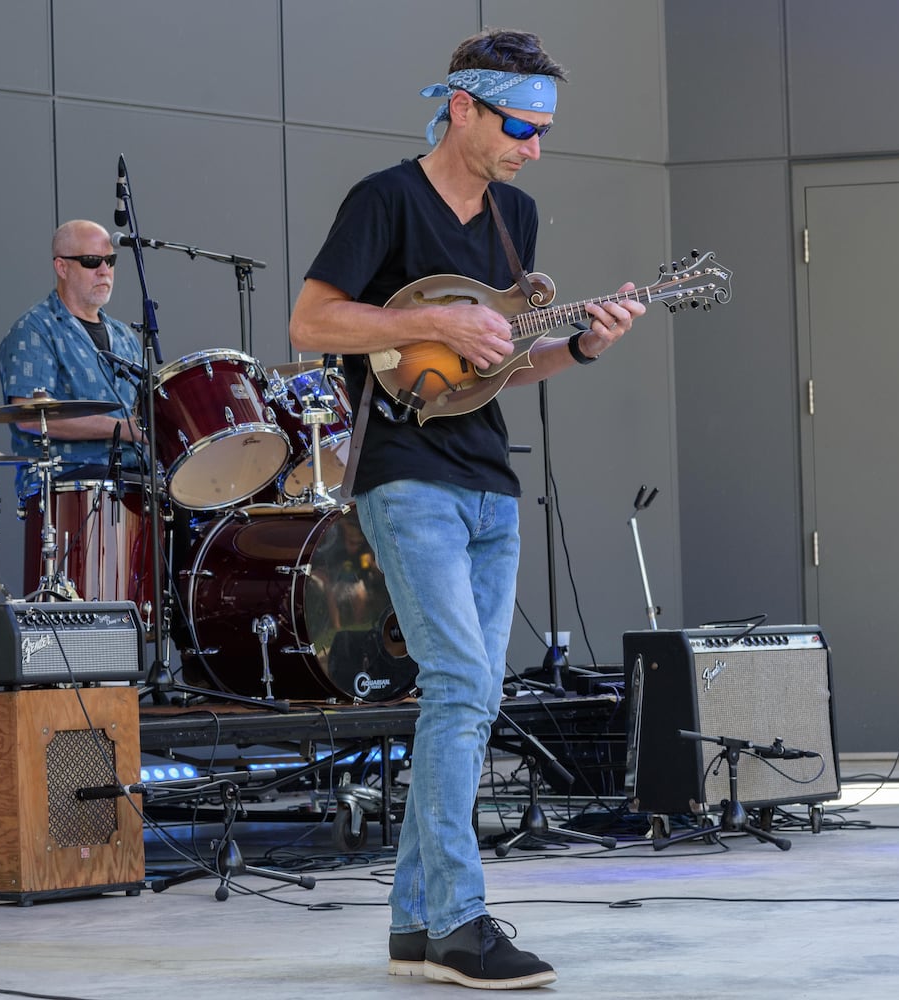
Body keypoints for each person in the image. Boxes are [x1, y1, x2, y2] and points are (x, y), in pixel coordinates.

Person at [289, 28, 643, 991]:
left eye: (544, 129)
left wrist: (579, 350)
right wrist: (433, 318)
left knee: (471, 695)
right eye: (521, 125)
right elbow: (313, 320)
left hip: (489, 478)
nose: (535, 145)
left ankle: (414, 924)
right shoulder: (385, 199)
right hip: (404, 474)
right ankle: (458, 919)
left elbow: (493, 368)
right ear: (463, 108)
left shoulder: (514, 220)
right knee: (460, 688)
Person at [0, 219, 145, 495]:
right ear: (61, 267)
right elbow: (29, 417)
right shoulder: (35, 330)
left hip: (136, 477)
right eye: (91, 261)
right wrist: (122, 429)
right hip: (69, 484)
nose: (105, 271)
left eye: (110, 261)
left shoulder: (125, 336)